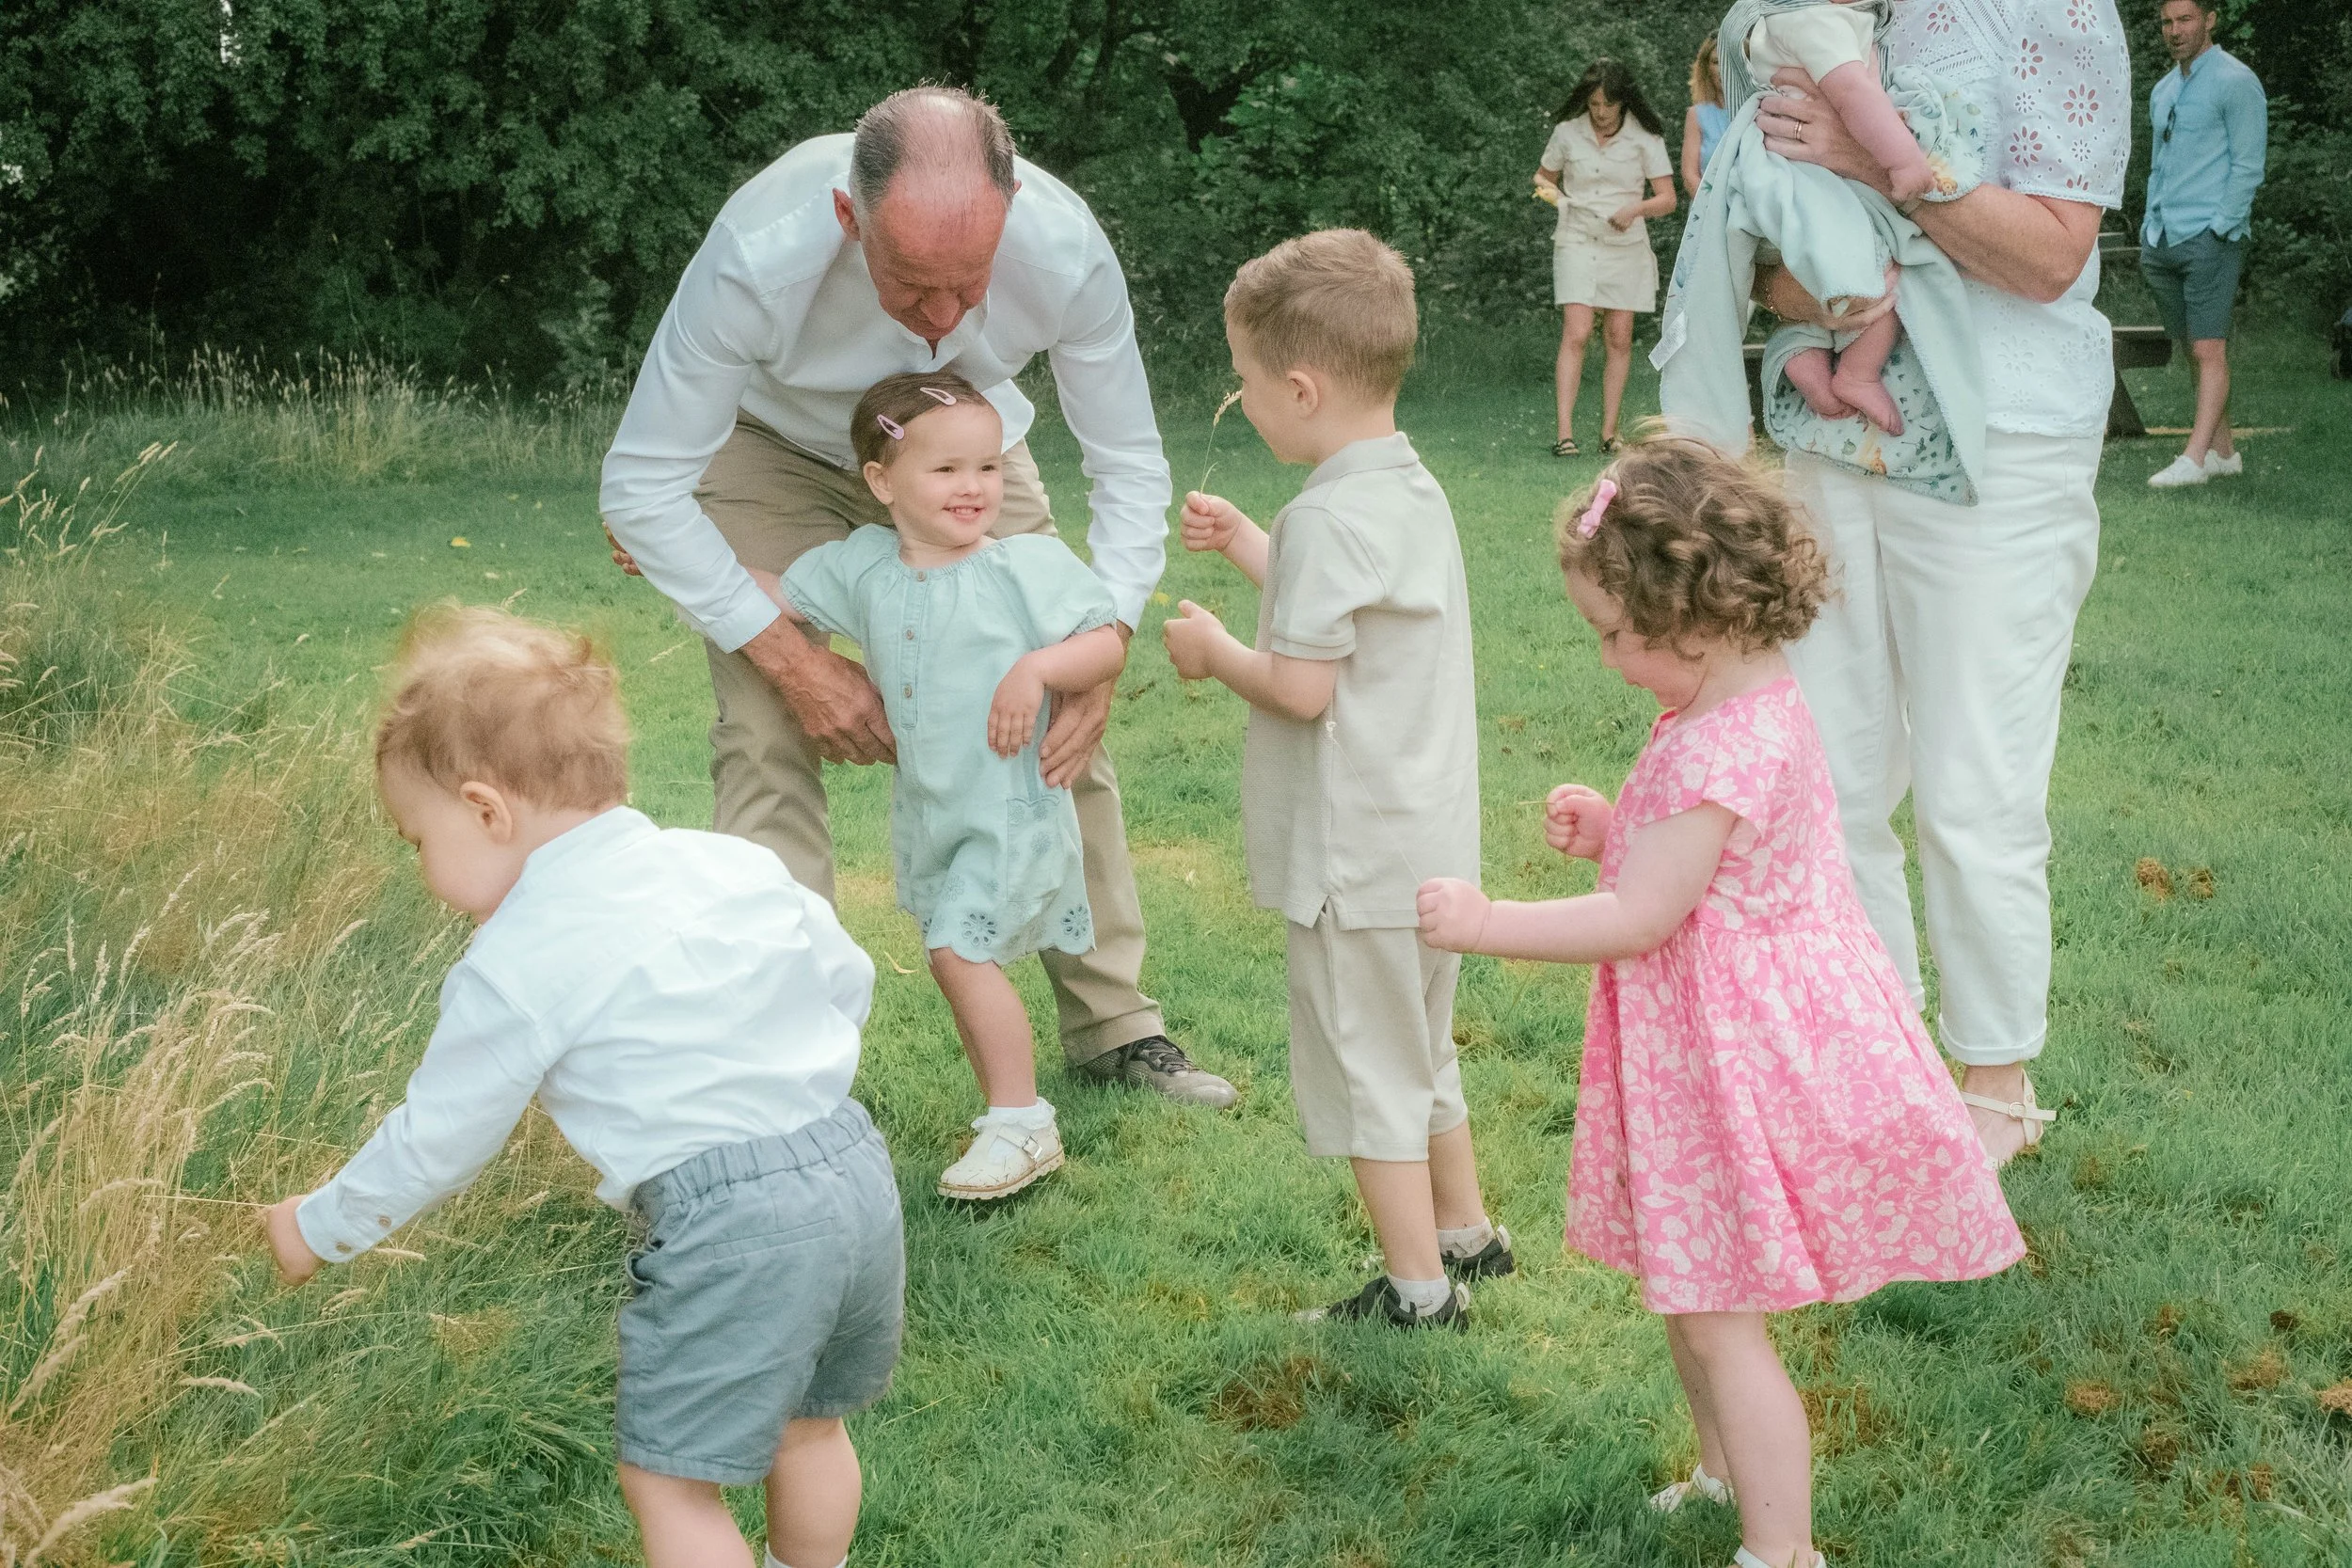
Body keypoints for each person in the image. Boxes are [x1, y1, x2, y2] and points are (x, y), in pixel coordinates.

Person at [1416, 434, 2024, 1568]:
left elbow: (1644, 917)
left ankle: (1779, 1545)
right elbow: (1697, 871)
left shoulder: (1724, 744)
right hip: (1715, 1041)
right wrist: (1615, 827)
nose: (1604, 658)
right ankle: (1716, 1473)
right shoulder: (1731, 710)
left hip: (1735, 1060)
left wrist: (1487, 918)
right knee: (1691, 1288)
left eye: (1611, 631)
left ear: (1687, 614)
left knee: (1721, 1314)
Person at [599, 85, 1235, 1109]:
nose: (940, 322)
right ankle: (783, 1058)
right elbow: (639, 485)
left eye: (968, 286)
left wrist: (1104, 634)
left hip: (965, 451)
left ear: (1012, 207)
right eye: (910, 285)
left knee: (1057, 712)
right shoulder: (759, 251)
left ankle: (1115, 1023)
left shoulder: (1064, 249)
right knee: (766, 728)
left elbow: (1126, 462)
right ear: (851, 221)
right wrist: (798, 661)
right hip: (773, 445)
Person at [262, 607, 904, 1568]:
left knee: (672, 1483)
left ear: (487, 810)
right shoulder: (725, 862)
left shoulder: (517, 956)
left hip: (731, 1218)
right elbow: (843, 976)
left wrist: (318, 1224)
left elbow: (440, 1136)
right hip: (853, 1169)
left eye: (417, 838)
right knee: (807, 1427)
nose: (422, 866)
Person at [1741, 0, 2131, 1165]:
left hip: (2001, 439)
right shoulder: (1822, 13)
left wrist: (1878, 167)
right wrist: (1832, 279)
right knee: (1831, 773)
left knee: (1976, 782)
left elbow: (2052, 254)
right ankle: (1872, 1065)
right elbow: (1766, 263)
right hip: (1831, 443)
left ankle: (1995, 1080)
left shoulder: (2058, 11)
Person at [1162, 230, 1511, 1328]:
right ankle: (1468, 1232)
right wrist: (1249, 544)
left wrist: (1216, 651)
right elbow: (1346, 611)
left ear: (1301, 387)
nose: (1242, 401)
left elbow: (1304, 685)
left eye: (1249, 383)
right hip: (1428, 842)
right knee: (1420, 1044)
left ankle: (1417, 1292)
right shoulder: (1407, 489)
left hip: (1351, 858)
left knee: (1369, 1072)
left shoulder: (1325, 517)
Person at [746, 373, 1122, 1201]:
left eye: (987, 468)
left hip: (1011, 810)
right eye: (947, 470)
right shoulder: (865, 566)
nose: (975, 487)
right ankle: (1007, 1112)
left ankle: (1022, 1120)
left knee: (958, 949)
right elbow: (775, 593)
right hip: (934, 814)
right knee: (952, 952)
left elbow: (1103, 647)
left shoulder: (1022, 565)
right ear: (882, 483)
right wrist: (674, 552)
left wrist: (1037, 668)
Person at [2140, 0, 2267, 489]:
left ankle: (2192, 460)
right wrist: (2150, 223)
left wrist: (2222, 226)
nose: (2175, 31)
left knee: (2208, 348)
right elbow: (2160, 164)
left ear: (2210, 20)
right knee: (2194, 350)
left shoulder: (2236, 81)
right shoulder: (2164, 89)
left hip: (2210, 237)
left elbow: (2248, 165)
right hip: (2163, 237)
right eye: (2167, 22)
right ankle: (2223, 453)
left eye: (2185, 19)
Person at [1535, 59, 1677, 457]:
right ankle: (1564, 435)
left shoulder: (1645, 138)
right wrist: (1558, 200)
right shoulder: (1567, 133)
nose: (1600, 113)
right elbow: (1542, 179)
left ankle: (1609, 434)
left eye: (1608, 105)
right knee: (1577, 332)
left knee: (1618, 338)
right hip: (1577, 238)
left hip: (1625, 246)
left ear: (1623, 102)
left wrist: (1634, 210)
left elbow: (1667, 199)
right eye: (1594, 104)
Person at [1682, 36, 1732, 198]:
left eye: (1729, 60)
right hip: (1706, 209)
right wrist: (1714, 207)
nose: (1722, 68)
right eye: (1716, 62)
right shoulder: (1697, 114)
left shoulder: (1758, 110)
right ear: (1707, 67)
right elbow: (1690, 175)